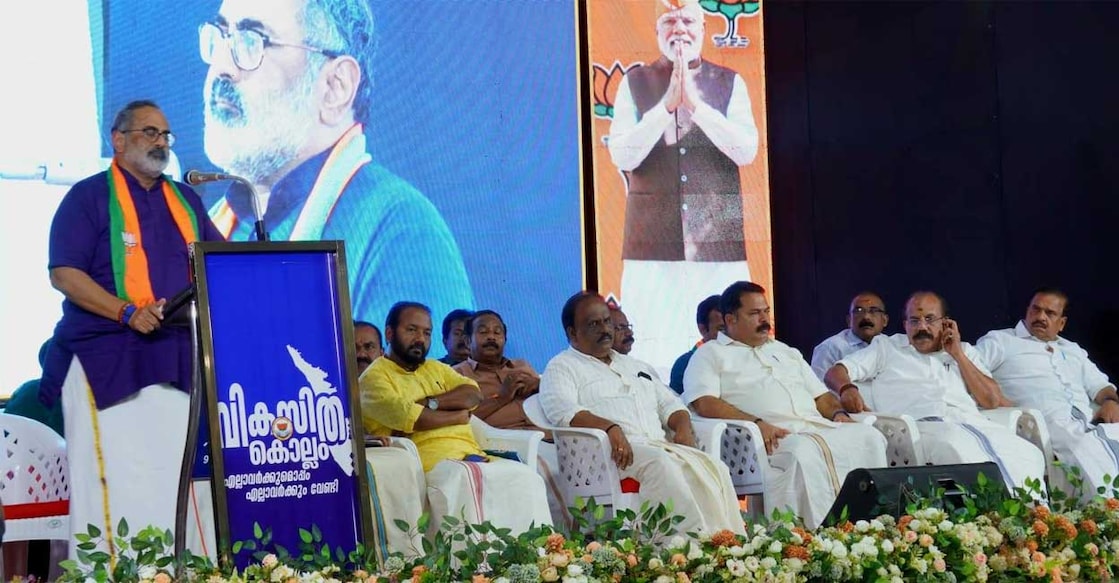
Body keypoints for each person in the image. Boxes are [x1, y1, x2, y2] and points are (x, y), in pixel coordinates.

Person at [200, 0, 473, 333]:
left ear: (335, 86)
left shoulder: (403, 230)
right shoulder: (218, 221)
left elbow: (421, 382)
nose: (221, 67)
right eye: (220, 37)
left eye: (252, 41)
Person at [40, 100, 223, 559]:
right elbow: (64, 273)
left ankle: (172, 569)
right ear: (117, 139)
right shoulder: (87, 197)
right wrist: (124, 312)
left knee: (171, 480)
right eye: (149, 132)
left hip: (178, 357)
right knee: (119, 479)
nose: (160, 142)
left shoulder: (185, 200)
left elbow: (217, 265)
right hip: (109, 357)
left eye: (166, 135)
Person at [607, 0, 759, 373]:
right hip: (650, 241)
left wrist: (697, 106)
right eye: (670, 20)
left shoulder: (728, 82)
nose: (680, 29)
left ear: (704, 28)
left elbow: (747, 151)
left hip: (718, 239)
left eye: (688, 20)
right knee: (649, 343)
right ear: (657, 31)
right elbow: (623, 156)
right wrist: (665, 108)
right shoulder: (635, 82)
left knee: (733, 343)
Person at [682, 281, 888, 528]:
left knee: (869, 436)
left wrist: (838, 414)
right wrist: (757, 424)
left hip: (814, 426)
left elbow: (821, 396)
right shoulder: (710, 354)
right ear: (731, 319)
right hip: (765, 437)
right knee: (803, 450)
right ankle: (818, 536)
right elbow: (704, 402)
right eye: (754, 313)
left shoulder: (785, 351)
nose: (764, 319)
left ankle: (873, 526)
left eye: (766, 311)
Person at [539, 292, 745, 537]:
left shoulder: (635, 365)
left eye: (607, 322)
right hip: (607, 457)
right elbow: (562, 411)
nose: (605, 329)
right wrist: (610, 428)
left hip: (658, 447)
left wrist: (682, 428)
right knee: (661, 462)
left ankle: (729, 541)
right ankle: (688, 546)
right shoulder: (562, 366)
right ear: (573, 332)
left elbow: (671, 404)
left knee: (714, 466)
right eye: (594, 324)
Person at [824, 291, 1047, 493]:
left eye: (930, 319)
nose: (922, 327)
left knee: (1025, 452)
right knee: (958, 449)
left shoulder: (964, 351)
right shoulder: (887, 348)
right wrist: (847, 388)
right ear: (905, 324)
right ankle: (996, 520)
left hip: (974, 423)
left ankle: (1031, 519)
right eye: (914, 320)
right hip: (921, 428)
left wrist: (958, 354)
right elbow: (835, 372)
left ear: (946, 323)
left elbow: (990, 400)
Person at [360, 302, 551, 535]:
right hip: (427, 460)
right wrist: (458, 415)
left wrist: (431, 403)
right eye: (412, 330)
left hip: (472, 452)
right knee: (464, 482)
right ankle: (472, 568)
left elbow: (473, 395)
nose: (420, 338)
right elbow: (417, 419)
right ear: (390, 333)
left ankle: (535, 558)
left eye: (426, 332)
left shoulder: (434, 368)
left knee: (526, 478)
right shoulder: (374, 378)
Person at [976, 288, 1119, 499]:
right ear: (1027, 311)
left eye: (1050, 313)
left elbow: (1101, 386)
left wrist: (1110, 401)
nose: (1041, 317)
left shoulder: (1072, 350)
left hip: (1090, 421)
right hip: (1047, 423)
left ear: (1061, 323)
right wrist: (1001, 401)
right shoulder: (1001, 341)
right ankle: (1108, 515)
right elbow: (969, 373)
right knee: (1086, 445)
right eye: (1036, 310)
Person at [452, 310, 568, 526]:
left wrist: (540, 385)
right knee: (547, 468)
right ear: (468, 340)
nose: (491, 337)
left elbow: (557, 396)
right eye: (483, 331)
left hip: (550, 437)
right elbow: (463, 417)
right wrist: (502, 397)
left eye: (497, 332)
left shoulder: (522, 365)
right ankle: (565, 539)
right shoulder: (458, 374)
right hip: (506, 444)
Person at [810, 292, 889, 380]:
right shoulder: (829, 348)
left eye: (873, 311)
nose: (866, 317)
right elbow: (819, 390)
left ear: (885, 320)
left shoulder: (890, 346)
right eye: (858, 311)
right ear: (849, 320)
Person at [668, 294, 722, 394]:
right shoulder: (684, 364)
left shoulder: (744, 354)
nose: (729, 334)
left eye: (732, 325)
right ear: (702, 329)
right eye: (721, 329)